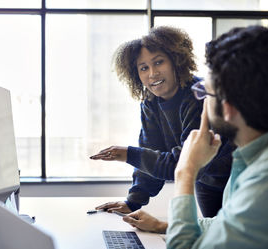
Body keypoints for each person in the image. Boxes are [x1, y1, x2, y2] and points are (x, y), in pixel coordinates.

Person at [123, 25, 268, 249]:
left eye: (204, 93)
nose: (201, 99)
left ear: (227, 108)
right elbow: (227, 223)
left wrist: (186, 171)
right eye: (144, 67)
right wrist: (160, 223)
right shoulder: (255, 160)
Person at [90, 26, 234, 217]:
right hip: (207, 183)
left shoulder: (199, 96)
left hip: (234, 178)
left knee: (233, 239)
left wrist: (128, 154)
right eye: (144, 68)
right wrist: (133, 201)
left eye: (159, 62)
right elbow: (151, 149)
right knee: (214, 238)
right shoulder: (150, 103)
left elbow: (186, 162)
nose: (152, 73)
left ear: (176, 61)